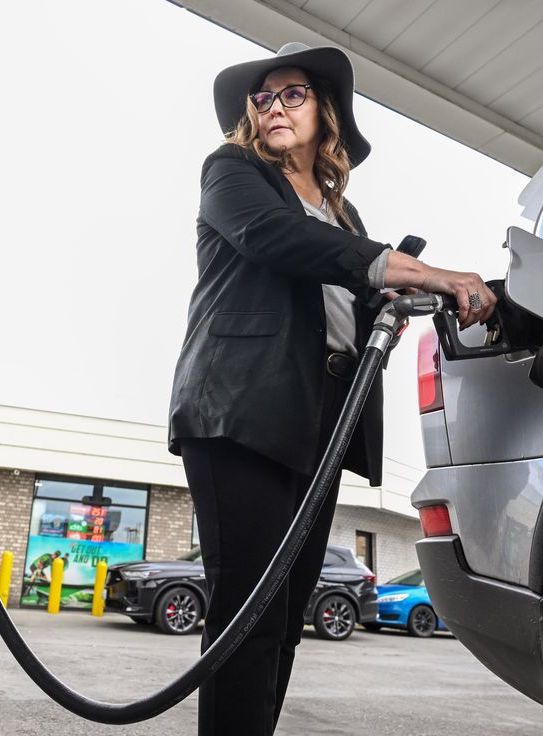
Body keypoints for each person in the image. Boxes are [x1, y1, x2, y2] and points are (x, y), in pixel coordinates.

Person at [168, 42, 497, 735]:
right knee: (248, 612)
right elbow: (272, 240)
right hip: (241, 407)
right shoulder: (233, 172)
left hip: (320, 415)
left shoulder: (347, 220)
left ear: (327, 113)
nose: (274, 107)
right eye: (263, 98)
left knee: (286, 616)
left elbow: (344, 292)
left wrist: (385, 309)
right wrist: (419, 271)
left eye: (292, 94)